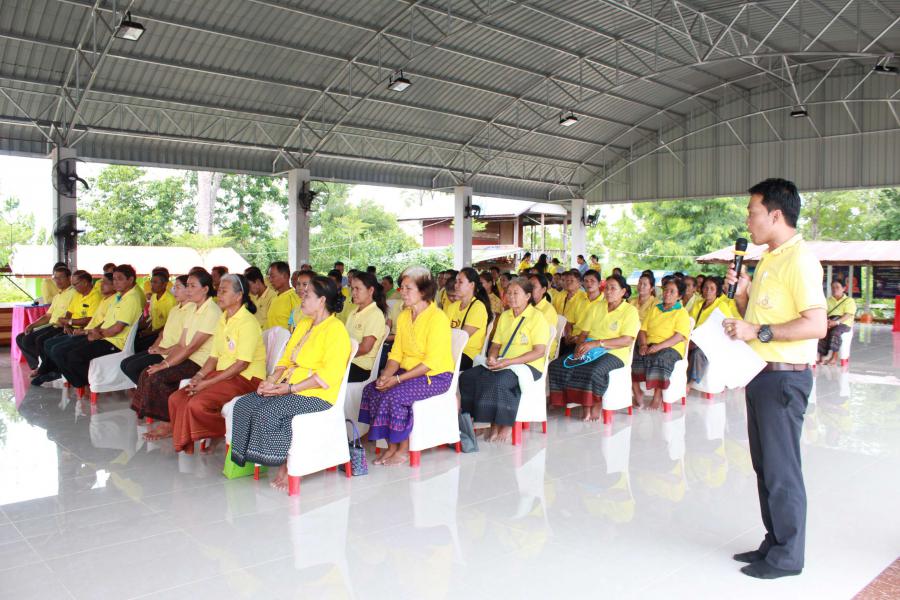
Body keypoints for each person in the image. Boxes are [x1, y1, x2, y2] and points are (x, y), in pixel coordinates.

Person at [722, 178, 826, 579]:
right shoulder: (769, 259)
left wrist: (757, 331)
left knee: (783, 471)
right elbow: (757, 318)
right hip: (761, 375)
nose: (748, 221)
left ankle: (788, 556)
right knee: (765, 467)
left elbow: (816, 324)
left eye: (753, 213)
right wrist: (743, 297)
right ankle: (774, 541)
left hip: (784, 379)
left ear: (776, 215)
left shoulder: (799, 260)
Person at [229, 276, 352, 491]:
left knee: (269, 411)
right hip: (288, 386)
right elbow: (285, 360)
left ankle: (285, 465)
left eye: (307, 295)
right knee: (244, 404)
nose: (301, 297)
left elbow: (328, 375)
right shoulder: (304, 324)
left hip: (316, 395)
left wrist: (290, 389)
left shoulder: (336, 330)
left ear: (322, 300)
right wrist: (270, 381)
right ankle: (248, 457)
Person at [359, 266, 454, 466]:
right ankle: (391, 446)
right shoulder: (404, 316)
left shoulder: (437, 318)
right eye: (401, 287)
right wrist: (386, 375)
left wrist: (397, 379)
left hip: (435, 376)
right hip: (407, 372)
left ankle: (403, 449)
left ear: (424, 291)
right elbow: (396, 353)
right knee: (373, 389)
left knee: (395, 396)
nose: (402, 292)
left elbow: (430, 363)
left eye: (408, 288)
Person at [168, 273, 266, 454]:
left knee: (197, 404)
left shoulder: (247, 322)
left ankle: (226, 431)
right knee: (177, 398)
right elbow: (213, 357)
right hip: (224, 375)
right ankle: (216, 431)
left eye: (224, 291)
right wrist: (199, 376)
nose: (218, 295)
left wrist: (207, 383)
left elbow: (241, 364)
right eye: (219, 290)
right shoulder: (223, 319)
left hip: (245, 379)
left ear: (238, 296)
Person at [458, 277, 549, 442]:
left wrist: (508, 362)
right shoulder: (505, 316)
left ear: (527, 296)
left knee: (498, 380)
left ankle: (504, 423)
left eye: (516, 293)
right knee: (468, 377)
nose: (511, 297)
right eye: (509, 293)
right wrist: (492, 357)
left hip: (528, 366)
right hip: (503, 361)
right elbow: (496, 345)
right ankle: (478, 420)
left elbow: (538, 352)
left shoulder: (537, 317)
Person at [135, 271, 221, 438]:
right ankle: (150, 411)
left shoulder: (212, 311)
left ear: (205, 289)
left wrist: (164, 365)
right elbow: (182, 344)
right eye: (187, 285)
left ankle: (168, 424)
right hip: (188, 356)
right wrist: (164, 356)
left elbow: (191, 347)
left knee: (159, 376)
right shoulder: (193, 309)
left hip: (201, 362)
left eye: (192, 286)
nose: (188, 290)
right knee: (148, 371)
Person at [549, 274, 639, 420]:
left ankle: (594, 404)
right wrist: (578, 348)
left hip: (614, 352)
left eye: (613, 288)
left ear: (623, 291)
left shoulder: (630, 311)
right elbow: (584, 333)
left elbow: (626, 340)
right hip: (590, 347)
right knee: (557, 365)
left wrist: (597, 343)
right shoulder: (597, 306)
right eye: (606, 288)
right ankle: (570, 400)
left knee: (593, 370)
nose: (608, 291)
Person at [56, 264, 145, 389]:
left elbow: (117, 328)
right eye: (114, 279)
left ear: (130, 280)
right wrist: (93, 332)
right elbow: (106, 321)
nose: (116, 282)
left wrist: (98, 335)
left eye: (119, 279)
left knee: (73, 356)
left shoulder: (131, 298)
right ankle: (83, 383)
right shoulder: (120, 296)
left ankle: (86, 385)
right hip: (104, 336)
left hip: (114, 342)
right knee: (62, 351)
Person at [29, 270, 101, 385]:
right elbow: (69, 312)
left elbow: (90, 319)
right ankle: (54, 370)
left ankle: (58, 373)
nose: (73, 287)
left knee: (56, 349)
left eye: (75, 284)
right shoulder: (77, 294)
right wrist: (67, 324)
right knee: (47, 343)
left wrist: (69, 322)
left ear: (85, 282)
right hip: (71, 328)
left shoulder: (96, 296)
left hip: (84, 331)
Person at [630, 279, 691, 411]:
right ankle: (637, 391)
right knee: (631, 356)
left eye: (672, 291)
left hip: (671, 347)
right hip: (650, 344)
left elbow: (679, 337)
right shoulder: (655, 308)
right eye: (665, 290)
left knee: (660, 359)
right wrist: (643, 345)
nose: (667, 293)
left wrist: (658, 347)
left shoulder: (681, 312)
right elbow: (643, 330)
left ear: (679, 296)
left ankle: (657, 397)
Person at [121, 275, 190, 386]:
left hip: (170, 352)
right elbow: (162, 333)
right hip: (161, 347)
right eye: (174, 287)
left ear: (189, 289)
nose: (174, 290)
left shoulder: (192, 310)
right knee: (125, 364)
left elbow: (185, 343)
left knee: (132, 367)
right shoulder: (175, 309)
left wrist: (164, 350)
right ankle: (144, 389)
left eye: (178, 287)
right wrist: (154, 347)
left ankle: (145, 390)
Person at [18, 266, 75, 370]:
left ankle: (45, 367)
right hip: (51, 325)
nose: (58, 280)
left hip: (61, 326)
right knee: (20, 338)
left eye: (61, 277)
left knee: (33, 340)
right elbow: (48, 316)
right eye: (55, 278)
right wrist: (32, 325)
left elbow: (73, 312)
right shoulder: (58, 296)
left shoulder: (74, 293)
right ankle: (39, 365)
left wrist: (66, 323)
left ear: (69, 278)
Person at [686, 276, 735, 386]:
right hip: (694, 338)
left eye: (712, 288)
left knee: (698, 353)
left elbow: (727, 327)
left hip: (712, 342)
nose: (708, 291)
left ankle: (690, 383)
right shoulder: (698, 303)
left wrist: (700, 340)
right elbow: (689, 322)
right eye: (706, 288)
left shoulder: (721, 306)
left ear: (717, 291)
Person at [443, 267, 492, 371]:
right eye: (456, 282)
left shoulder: (478, 307)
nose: (456, 285)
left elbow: (461, 338)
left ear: (472, 285)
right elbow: (441, 331)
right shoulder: (453, 306)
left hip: (468, 355)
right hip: (449, 350)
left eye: (460, 282)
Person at [345, 271, 387, 382]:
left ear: (370, 290)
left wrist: (341, 354)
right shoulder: (353, 312)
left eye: (357, 289)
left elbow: (365, 348)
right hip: (348, 361)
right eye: (352, 288)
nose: (353, 293)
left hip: (361, 367)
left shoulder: (375, 314)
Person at [817, 280, 857, 365]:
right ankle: (821, 357)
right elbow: (823, 313)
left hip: (843, 323)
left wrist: (836, 322)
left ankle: (834, 358)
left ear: (844, 288)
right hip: (830, 321)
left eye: (837, 287)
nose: (835, 289)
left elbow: (848, 315)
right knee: (822, 333)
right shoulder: (828, 300)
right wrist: (827, 322)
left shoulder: (849, 301)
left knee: (835, 332)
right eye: (833, 287)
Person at [135, 270, 176, 353]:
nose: (151, 285)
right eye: (151, 282)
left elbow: (169, 325)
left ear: (164, 284)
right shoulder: (154, 296)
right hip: (154, 331)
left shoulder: (170, 300)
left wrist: (150, 332)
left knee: (138, 346)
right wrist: (147, 329)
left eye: (155, 282)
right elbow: (152, 317)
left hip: (163, 334)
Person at [554, 270, 587, 356]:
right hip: (559, 333)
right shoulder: (559, 295)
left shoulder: (584, 298)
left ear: (579, 283)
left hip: (575, 336)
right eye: (566, 280)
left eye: (572, 280)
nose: (568, 282)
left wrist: (571, 335)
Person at [267, 261, 300, 330]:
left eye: (272, 276)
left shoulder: (293, 298)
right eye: (269, 277)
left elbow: (297, 326)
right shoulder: (275, 297)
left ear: (285, 276)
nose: (270, 280)